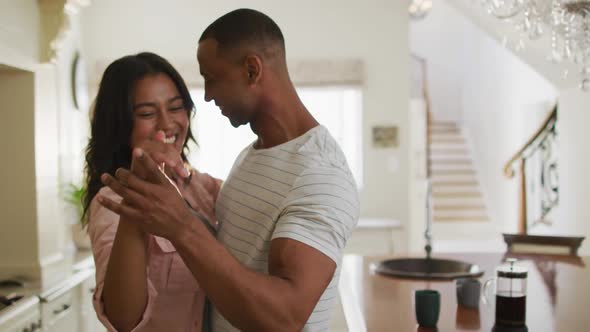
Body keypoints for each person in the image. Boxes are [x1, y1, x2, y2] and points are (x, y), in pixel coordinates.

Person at [98, 8, 359, 332]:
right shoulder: (250, 156)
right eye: (147, 112)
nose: (206, 95)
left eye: (211, 78)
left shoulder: (320, 174)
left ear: (252, 70)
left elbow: (286, 318)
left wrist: (181, 226)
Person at [83, 52, 216, 331]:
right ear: (119, 124)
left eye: (176, 107)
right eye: (147, 113)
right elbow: (123, 318)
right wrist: (139, 184)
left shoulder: (200, 186)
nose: (167, 124)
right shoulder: (113, 201)